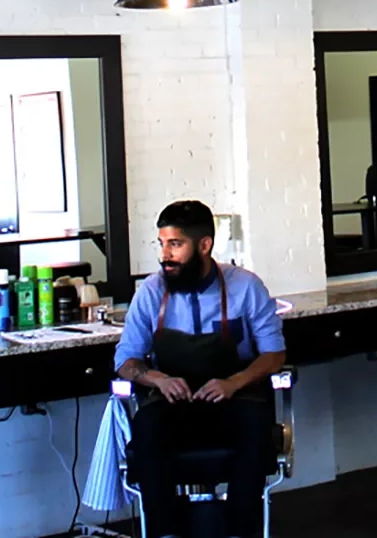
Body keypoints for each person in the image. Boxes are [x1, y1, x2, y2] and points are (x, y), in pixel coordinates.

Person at [116, 200, 287, 538]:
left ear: (205, 245)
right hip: (173, 403)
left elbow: (274, 355)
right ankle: (166, 532)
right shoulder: (151, 291)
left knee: (255, 426)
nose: (165, 254)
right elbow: (125, 361)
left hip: (233, 399)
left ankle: (239, 530)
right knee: (147, 427)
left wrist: (234, 382)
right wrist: (156, 378)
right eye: (162, 244)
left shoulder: (246, 287)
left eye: (175, 244)